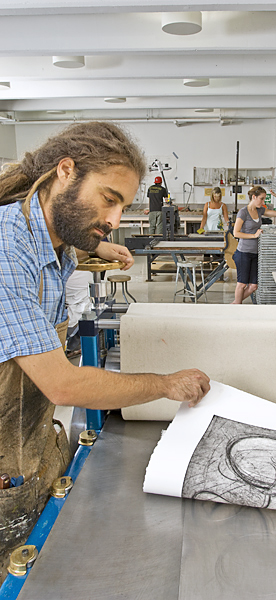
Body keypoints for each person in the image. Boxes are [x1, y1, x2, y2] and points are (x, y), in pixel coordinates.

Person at [0, 121, 210, 580]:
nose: (115, 217)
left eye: (123, 205)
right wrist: (165, 384)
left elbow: (76, 239)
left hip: (33, 448)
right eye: (109, 199)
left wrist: (102, 246)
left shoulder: (54, 238)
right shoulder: (5, 248)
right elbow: (63, 382)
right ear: (65, 171)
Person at [232, 186, 276, 304]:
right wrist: (254, 236)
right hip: (243, 253)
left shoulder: (260, 210)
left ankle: (235, 304)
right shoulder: (243, 212)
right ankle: (237, 307)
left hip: (255, 253)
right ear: (253, 197)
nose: (263, 202)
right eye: (261, 199)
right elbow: (236, 233)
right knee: (242, 284)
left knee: (254, 286)